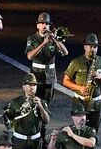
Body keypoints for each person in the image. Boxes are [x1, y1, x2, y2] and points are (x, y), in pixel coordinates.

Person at [24, 13, 68, 141]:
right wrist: (43, 43)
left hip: (50, 76)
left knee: (45, 106)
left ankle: (42, 136)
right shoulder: (32, 38)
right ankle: (35, 133)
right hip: (36, 75)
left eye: (47, 24)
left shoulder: (53, 38)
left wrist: (55, 40)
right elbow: (29, 56)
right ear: (37, 25)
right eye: (42, 23)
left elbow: (65, 52)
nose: (45, 26)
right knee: (35, 104)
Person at [3, 73, 48, 149]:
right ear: (24, 87)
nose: (32, 87)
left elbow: (46, 120)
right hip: (19, 142)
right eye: (30, 85)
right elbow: (7, 120)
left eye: (34, 85)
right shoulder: (15, 102)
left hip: (35, 142)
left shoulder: (41, 102)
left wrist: (40, 106)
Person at [61, 34, 101, 133]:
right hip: (80, 102)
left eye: (95, 47)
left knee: (93, 131)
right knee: (79, 130)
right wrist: (79, 88)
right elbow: (65, 81)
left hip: (96, 104)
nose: (93, 49)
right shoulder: (76, 62)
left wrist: (100, 77)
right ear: (85, 47)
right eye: (90, 46)